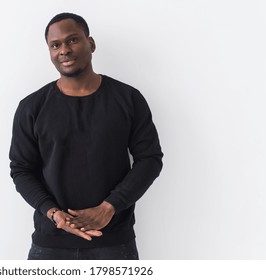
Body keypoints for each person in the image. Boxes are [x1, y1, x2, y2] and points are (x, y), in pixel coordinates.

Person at [9, 12, 163, 260]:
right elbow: (21, 169)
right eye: (55, 45)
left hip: (113, 242)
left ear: (90, 43)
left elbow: (150, 158)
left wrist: (109, 208)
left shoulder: (128, 99)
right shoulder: (32, 107)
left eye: (72, 40)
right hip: (51, 242)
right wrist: (53, 213)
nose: (64, 50)